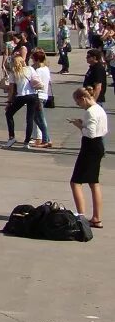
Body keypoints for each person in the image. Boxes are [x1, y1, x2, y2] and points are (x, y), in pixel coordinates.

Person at [67, 86, 105, 228]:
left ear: (83, 99)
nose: (79, 106)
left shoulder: (90, 112)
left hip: (90, 147)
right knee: (94, 182)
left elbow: (90, 133)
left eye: (78, 103)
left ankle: (81, 216)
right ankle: (96, 217)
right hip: (99, 145)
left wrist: (79, 125)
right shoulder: (100, 109)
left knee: (75, 182)